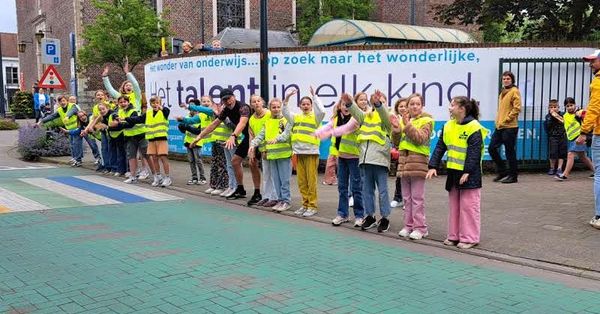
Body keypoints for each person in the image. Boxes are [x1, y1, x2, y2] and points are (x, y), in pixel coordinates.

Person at [427, 96, 487, 249]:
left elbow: (474, 152)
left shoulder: (474, 127)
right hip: (453, 173)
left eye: (453, 105)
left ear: (462, 109)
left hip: (470, 174)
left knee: (469, 206)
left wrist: (467, 171)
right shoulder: (448, 126)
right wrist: (433, 165)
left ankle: (470, 238)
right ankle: (454, 235)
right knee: (454, 205)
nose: (449, 108)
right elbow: (440, 147)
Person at [344, 90, 393, 232]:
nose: (378, 104)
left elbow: (383, 112)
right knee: (367, 191)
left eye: (382, 101)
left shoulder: (388, 118)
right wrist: (349, 103)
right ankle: (370, 216)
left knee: (383, 191)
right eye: (376, 101)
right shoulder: (366, 116)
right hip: (365, 160)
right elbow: (356, 113)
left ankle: (384, 218)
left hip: (380, 160)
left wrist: (378, 104)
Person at [191, 88, 251, 200]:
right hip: (246, 137)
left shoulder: (243, 107)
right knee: (235, 161)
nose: (228, 101)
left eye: (229, 98)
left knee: (254, 164)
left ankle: (257, 193)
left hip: (254, 136)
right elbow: (214, 124)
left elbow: (242, 123)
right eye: (225, 100)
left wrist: (233, 136)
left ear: (234, 97)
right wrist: (199, 137)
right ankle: (239, 189)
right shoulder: (226, 110)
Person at [315, 96, 365, 227]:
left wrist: (329, 134)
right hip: (342, 157)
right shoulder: (336, 119)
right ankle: (342, 214)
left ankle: (359, 215)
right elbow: (327, 127)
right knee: (342, 187)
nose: (345, 107)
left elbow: (345, 129)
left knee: (356, 188)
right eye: (343, 105)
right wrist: (317, 132)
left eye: (348, 105)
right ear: (339, 107)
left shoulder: (356, 119)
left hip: (355, 157)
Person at [282, 87, 325, 217]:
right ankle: (305, 204)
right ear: (300, 106)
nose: (305, 106)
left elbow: (322, 111)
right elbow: (285, 112)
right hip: (298, 153)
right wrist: (287, 99)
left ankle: (312, 206)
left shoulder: (315, 118)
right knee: (302, 181)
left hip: (311, 153)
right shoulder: (296, 117)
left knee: (311, 181)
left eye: (308, 104)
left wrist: (315, 96)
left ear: (311, 105)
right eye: (303, 104)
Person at [397, 93, 434, 240]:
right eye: (411, 104)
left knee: (417, 198)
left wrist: (407, 125)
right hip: (404, 164)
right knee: (406, 199)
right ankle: (408, 225)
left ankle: (421, 228)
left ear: (422, 106)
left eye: (417, 104)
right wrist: (395, 129)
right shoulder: (404, 120)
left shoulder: (427, 121)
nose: (414, 106)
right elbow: (397, 141)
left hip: (418, 163)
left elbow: (420, 138)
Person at [249, 98, 292, 211]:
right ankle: (279, 200)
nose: (276, 109)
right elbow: (260, 136)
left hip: (283, 154)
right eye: (274, 107)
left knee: (284, 180)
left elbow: (286, 135)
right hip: (272, 155)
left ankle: (286, 201)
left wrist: (277, 139)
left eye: (278, 107)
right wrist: (253, 145)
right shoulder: (267, 122)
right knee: (276, 180)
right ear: (270, 108)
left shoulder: (286, 121)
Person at [575, 49, 600, 228]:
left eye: (593, 61)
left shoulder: (598, 83)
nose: (590, 64)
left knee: (599, 174)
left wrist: (584, 131)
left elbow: (594, 109)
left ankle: (599, 216)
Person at [123, 96, 171, 187]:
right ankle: (158, 176)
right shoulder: (148, 113)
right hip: (151, 139)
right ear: (150, 104)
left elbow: (166, 111)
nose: (155, 104)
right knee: (154, 158)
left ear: (160, 103)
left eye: (157, 102)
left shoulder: (164, 111)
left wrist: (162, 108)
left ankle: (167, 177)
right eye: (153, 103)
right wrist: (125, 118)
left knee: (163, 158)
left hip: (161, 138)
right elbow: (138, 119)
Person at [108, 96, 154, 184]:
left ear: (128, 102)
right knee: (131, 157)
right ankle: (133, 176)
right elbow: (119, 123)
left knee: (147, 156)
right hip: (129, 137)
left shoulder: (133, 111)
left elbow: (131, 124)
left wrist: (116, 125)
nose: (123, 104)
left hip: (140, 135)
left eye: (125, 102)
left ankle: (156, 175)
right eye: (121, 102)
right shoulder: (119, 111)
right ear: (118, 103)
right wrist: (112, 126)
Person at [489, 70, 521, 184]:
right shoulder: (503, 91)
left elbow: (517, 108)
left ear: (512, 80)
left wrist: (507, 119)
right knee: (492, 148)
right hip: (500, 126)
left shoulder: (514, 91)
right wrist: (498, 120)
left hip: (510, 126)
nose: (506, 80)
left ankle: (513, 176)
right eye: (504, 79)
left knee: (509, 151)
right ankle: (503, 171)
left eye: (508, 78)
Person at [556, 97, 594, 181]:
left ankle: (565, 174)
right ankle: (596, 171)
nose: (570, 107)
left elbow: (586, 118)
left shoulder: (578, 113)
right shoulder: (565, 115)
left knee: (570, 154)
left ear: (575, 105)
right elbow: (565, 123)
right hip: (572, 138)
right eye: (567, 106)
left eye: (571, 105)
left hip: (579, 137)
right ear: (565, 107)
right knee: (583, 157)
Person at [39, 95, 80, 166]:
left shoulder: (73, 106)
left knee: (77, 144)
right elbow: (52, 116)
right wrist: (41, 121)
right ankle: (75, 158)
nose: (62, 102)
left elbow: (72, 111)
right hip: (70, 129)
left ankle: (78, 159)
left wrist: (67, 116)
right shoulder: (60, 110)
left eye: (64, 101)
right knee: (72, 144)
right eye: (60, 101)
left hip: (77, 128)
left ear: (67, 101)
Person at [247, 95, 271, 206]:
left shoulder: (270, 114)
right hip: (260, 147)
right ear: (251, 105)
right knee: (263, 172)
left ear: (262, 102)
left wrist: (267, 148)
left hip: (271, 148)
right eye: (254, 102)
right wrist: (251, 151)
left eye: (258, 101)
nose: (256, 103)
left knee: (272, 174)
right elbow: (251, 135)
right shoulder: (251, 119)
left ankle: (275, 197)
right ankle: (262, 195)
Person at [178, 108, 207, 185]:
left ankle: (202, 178)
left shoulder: (200, 119)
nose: (192, 111)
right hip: (188, 142)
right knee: (191, 161)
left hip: (197, 143)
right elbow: (183, 130)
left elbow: (198, 131)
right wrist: (181, 127)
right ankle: (194, 178)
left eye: (194, 110)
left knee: (198, 161)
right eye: (191, 109)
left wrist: (187, 127)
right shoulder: (187, 118)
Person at [391, 98, 408, 208]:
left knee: (408, 177)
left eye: (405, 106)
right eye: (400, 106)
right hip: (400, 152)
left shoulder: (411, 119)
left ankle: (407, 200)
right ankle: (398, 198)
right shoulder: (395, 119)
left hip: (410, 152)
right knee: (399, 176)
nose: (403, 108)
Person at [544, 99, 567, 177]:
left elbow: (565, 123)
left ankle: (559, 168)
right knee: (553, 153)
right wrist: (552, 116)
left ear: (558, 107)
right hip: (553, 137)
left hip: (562, 136)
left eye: (555, 107)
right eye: (551, 107)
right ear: (549, 108)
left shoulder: (563, 114)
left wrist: (558, 117)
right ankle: (552, 167)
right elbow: (548, 126)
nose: (554, 108)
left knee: (562, 153)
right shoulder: (548, 116)